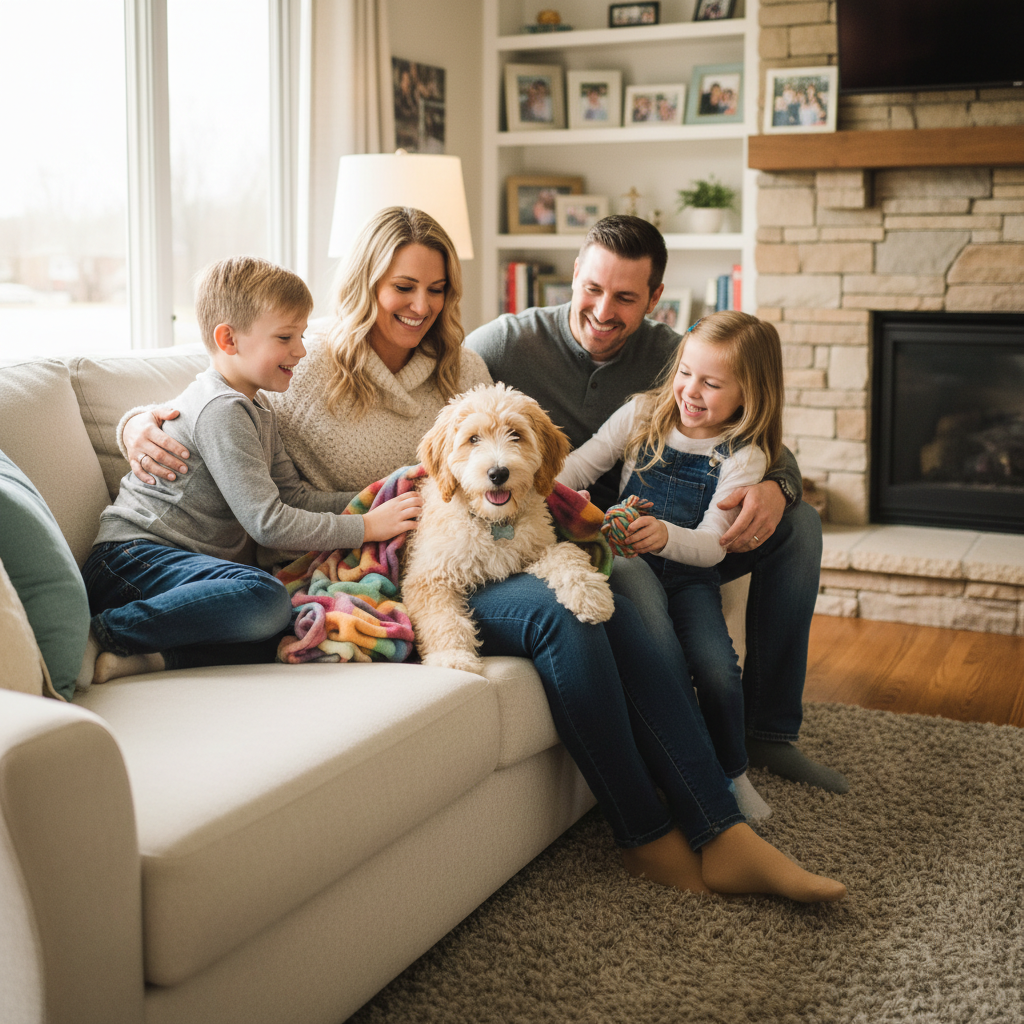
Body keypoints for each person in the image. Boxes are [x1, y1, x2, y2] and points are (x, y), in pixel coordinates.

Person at [120, 207, 846, 903]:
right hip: (376, 567)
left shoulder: (465, 364)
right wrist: (134, 425)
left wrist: (780, 479)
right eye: (403, 286)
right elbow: (215, 389)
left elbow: (734, 402)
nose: (420, 305)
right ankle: (647, 833)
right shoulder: (301, 364)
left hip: (486, 536)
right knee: (564, 618)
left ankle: (717, 826)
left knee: (611, 583)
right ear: (367, 281)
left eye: (437, 289)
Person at [465, 215, 848, 794]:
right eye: (592, 288)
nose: (602, 310)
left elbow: (761, 439)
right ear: (575, 275)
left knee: (801, 527)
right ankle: (687, 748)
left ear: (655, 298)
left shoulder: (680, 359)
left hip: (686, 533)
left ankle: (769, 732)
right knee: (640, 583)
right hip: (571, 527)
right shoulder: (502, 343)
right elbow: (455, 433)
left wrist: (779, 486)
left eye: (624, 297)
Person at [80, 256, 421, 687]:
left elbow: (294, 498)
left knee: (292, 626)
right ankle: (100, 633)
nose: (300, 349)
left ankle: (152, 658)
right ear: (229, 339)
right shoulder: (221, 409)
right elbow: (269, 524)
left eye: (301, 335)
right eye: (285, 337)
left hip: (183, 574)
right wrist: (366, 528)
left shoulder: (257, 409)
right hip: (131, 561)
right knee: (266, 599)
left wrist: (380, 496)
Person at [558, 311, 788, 821]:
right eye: (686, 372)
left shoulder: (741, 456)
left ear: (748, 394)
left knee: (718, 672)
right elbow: (580, 464)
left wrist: (663, 535)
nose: (690, 390)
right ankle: (671, 765)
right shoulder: (641, 415)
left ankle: (732, 772)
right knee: (658, 665)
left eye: (711, 383)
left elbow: (714, 546)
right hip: (622, 569)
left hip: (688, 578)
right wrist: (548, 486)